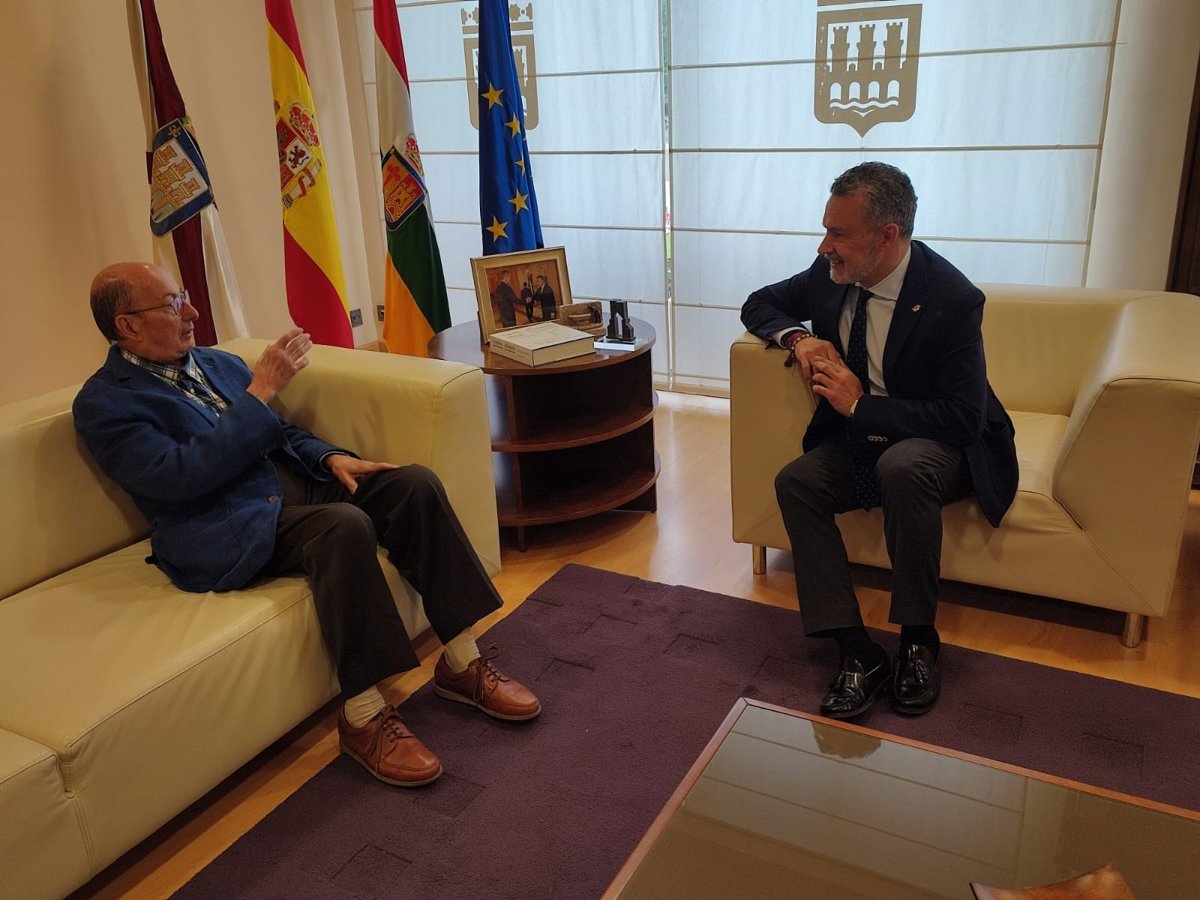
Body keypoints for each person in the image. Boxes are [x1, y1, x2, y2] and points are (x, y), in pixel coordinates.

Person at [73, 262, 542, 788]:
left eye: (183, 296)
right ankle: (363, 717)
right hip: (223, 524)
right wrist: (258, 392)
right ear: (129, 326)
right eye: (172, 304)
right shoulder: (105, 403)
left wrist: (329, 457)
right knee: (342, 526)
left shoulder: (217, 363)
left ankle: (461, 661)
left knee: (414, 484)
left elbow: (279, 432)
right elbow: (181, 477)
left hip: (288, 491)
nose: (193, 312)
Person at [741, 162, 1017, 720]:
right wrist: (799, 339)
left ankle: (918, 641)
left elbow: (963, 419)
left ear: (887, 236)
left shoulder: (952, 298)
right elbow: (758, 303)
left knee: (902, 466)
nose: (824, 246)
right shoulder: (829, 274)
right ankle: (856, 650)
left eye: (838, 233)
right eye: (826, 229)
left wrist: (862, 407)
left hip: (939, 439)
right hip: (861, 435)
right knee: (796, 482)